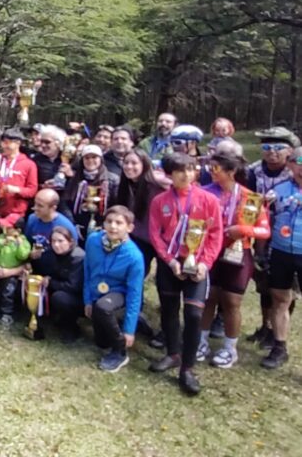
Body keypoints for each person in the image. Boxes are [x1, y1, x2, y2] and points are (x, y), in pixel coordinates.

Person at [148, 152, 223, 395]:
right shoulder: (160, 201)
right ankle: (173, 354)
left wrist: (205, 263)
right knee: (169, 311)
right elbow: (155, 234)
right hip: (171, 264)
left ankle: (187, 369)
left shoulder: (208, 199)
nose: (186, 174)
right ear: (169, 173)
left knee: (192, 314)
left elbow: (215, 235)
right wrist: (169, 261)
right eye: (180, 170)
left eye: (191, 169)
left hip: (197, 264)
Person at [197, 153, 270, 369]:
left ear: (230, 172)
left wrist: (243, 230)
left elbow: (265, 230)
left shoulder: (250, 198)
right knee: (207, 297)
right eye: (210, 167)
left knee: (232, 301)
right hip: (209, 252)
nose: (211, 172)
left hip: (238, 252)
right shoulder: (204, 192)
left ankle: (229, 348)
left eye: (216, 168)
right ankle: (201, 342)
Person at [247, 126, 300, 346]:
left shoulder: (295, 170)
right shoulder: (254, 171)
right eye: (267, 147)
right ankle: (266, 327)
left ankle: (279, 333)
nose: (272, 152)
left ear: (289, 152)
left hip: (292, 236)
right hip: (264, 234)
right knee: (266, 284)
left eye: (279, 147)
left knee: (289, 290)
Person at [83, 206, 145, 372]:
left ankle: (120, 351)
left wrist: (128, 330)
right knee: (101, 342)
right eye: (109, 221)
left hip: (120, 293)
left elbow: (135, 294)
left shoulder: (134, 256)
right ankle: (131, 324)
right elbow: (87, 270)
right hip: (97, 291)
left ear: (129, 228)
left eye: (119, 223)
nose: (113, 226)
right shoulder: (93, 240)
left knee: (103, 307)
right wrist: (87, 300)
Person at [116, 148, 167, 344]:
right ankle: (133, 318)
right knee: (134, 280)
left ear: (145, 164)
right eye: (126, 162)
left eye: (134, 163)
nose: (129, 167)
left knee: (164, 285)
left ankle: (166, 330)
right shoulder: (126, 185)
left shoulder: (157, 186)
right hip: (139, 241)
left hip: (161, 241)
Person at [262, 147, 302, 369]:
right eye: (298, 161)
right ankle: (279, 347)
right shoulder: (278, 190)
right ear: (289, 164)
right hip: (280, 252)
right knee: (279, 299)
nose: (301, 167)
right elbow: (266, 220)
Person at [30, 225, 84, 342]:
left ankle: (71, 328)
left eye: (61, 241)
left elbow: (73, 286)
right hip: (62, 288)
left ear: (70, 242)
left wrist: (50, 282)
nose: (56, 244)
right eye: (53, 241)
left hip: (81, 298)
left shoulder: (78, 258)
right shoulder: (52, 253)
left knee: (59, 298)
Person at [60, 145, 119, 243]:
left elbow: (116, 205)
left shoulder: (113, 179)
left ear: (101, 159)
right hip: (78, 226)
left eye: (94, 157)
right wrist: (72, 223)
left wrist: (106, 225)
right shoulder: (75, 178)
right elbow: (65, 201)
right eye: (87, 158)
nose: (90, 160)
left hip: (103, 228)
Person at [0, 127, 38, 228]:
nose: (4, 146)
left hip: (15, 215)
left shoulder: (29, 164)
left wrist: (16, 189)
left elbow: (32, 191)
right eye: (3, 142)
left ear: (18, 143)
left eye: (8, 142)